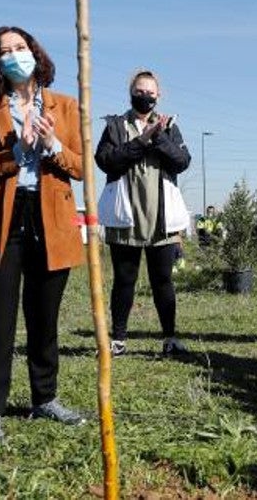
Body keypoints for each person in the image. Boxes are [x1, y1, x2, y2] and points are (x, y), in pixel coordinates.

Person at [0, 25, 86, 442]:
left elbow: (84, 168)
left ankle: (44, 399)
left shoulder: (65, 106)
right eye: (4, 50)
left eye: (20, 46)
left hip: (50, 219)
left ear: (34, 51)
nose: (14, 54)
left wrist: (51, 145)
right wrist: (13, 152)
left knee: (44, 317)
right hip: (2, 220)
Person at [95, 69, 192, 357]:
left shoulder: (169, 126)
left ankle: (170, 338)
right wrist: (141, 141)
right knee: (124, 280)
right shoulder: (115, 126)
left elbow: (182, 162)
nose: (145, 96)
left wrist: (158, 138)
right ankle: (119, 339)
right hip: (126, 219)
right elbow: (106, 161)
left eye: (150, 92)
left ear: (158, 95)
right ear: (130, 91)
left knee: (163, 280)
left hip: (161, 221)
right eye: (140, 90)